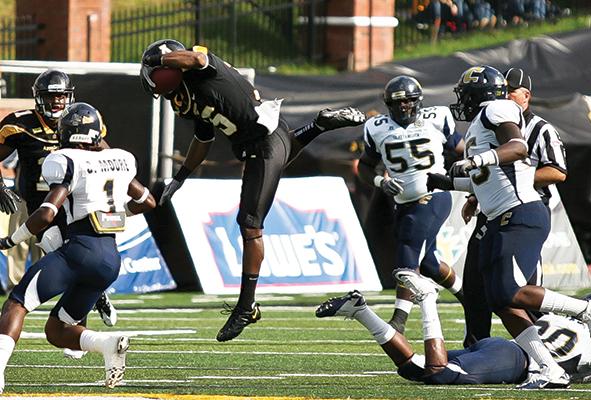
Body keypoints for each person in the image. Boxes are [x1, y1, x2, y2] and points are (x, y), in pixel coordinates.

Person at [140, 39, 366, 342]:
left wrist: (165, 58)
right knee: (264, 187)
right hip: (267, 141)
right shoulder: (184, 96)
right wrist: (180, 177)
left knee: (249, 224)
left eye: (157, 72)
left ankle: (246, 307)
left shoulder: (202, 68)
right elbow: (203, 139)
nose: (155, 81)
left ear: (169, 66)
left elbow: (196, 59)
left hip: (265, 141)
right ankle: (317, 127)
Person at [426, 65, 591, 389]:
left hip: (521, 212)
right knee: (501, 301)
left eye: (465, 93)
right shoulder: (480, 125)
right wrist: (441, 181)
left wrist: (478, 160)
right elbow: (483, 180)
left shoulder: (496, 107)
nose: (461, 100)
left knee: (512, 292)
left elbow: (517, 148)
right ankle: (549, 369)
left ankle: (589, 311)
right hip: (498, 216)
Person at [0, 102, 156, 392]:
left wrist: (11, 240)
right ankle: (107, 343)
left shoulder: (67, 160)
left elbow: (46, 214)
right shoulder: (120, 159)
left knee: (17, 303)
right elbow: (147, 201)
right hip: (110, 260)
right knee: (58, 331)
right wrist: (114, 213)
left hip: (79, 250)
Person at [315, 269, 591, 386]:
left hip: (503, 347)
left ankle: (359, 310)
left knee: (413, 368)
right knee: (440, 373)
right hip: (514, 361)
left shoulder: (564, 318)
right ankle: (427, 298)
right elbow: (588, 369)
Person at [0, 69, 118, 337]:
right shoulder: (20, 125)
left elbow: (107, 159)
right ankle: (93, 295)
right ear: (39, 98)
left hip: (74, 205)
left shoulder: (82, 120)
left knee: (72, 256)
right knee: (56, 247)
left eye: (61, 96)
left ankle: (91, 298)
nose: (57, 102)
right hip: (39, 205)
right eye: (51, 97)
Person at [459, 67, 568, 347]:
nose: (502, 98)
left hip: (523, 211)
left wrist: (515, 178)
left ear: (526, 96)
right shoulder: (487, 121)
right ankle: (476, 346)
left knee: (519, 290)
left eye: (509, 92)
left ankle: (554, 348)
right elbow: (487, 173)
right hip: (493, 211)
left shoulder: (539, 128)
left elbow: (557, 171)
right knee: (476, 285)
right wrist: (475, 195)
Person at [357, 75, 465, 334]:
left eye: (409, 101)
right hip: (403, 202)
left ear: (419, 101)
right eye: (399, 103)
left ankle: (399, 320)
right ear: (388, 105)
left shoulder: (437, 118)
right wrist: (380, 182)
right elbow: (364, 166)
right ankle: (468, 295)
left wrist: (471, 175)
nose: (405, 106)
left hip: (434, 195)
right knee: (428, 265)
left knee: (408, 250)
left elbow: (463, 149)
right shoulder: (376, 127)